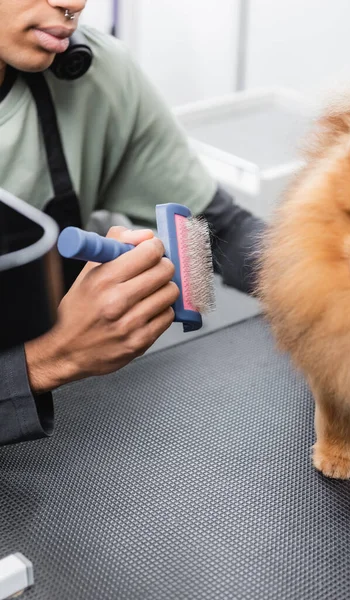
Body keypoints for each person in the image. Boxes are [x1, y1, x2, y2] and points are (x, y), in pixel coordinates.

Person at [0, 0, 265, 445]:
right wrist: (47, 359)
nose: (74, 3)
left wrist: (331, 287)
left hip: (79, 430)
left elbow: (222, 230)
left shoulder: (96, 75)